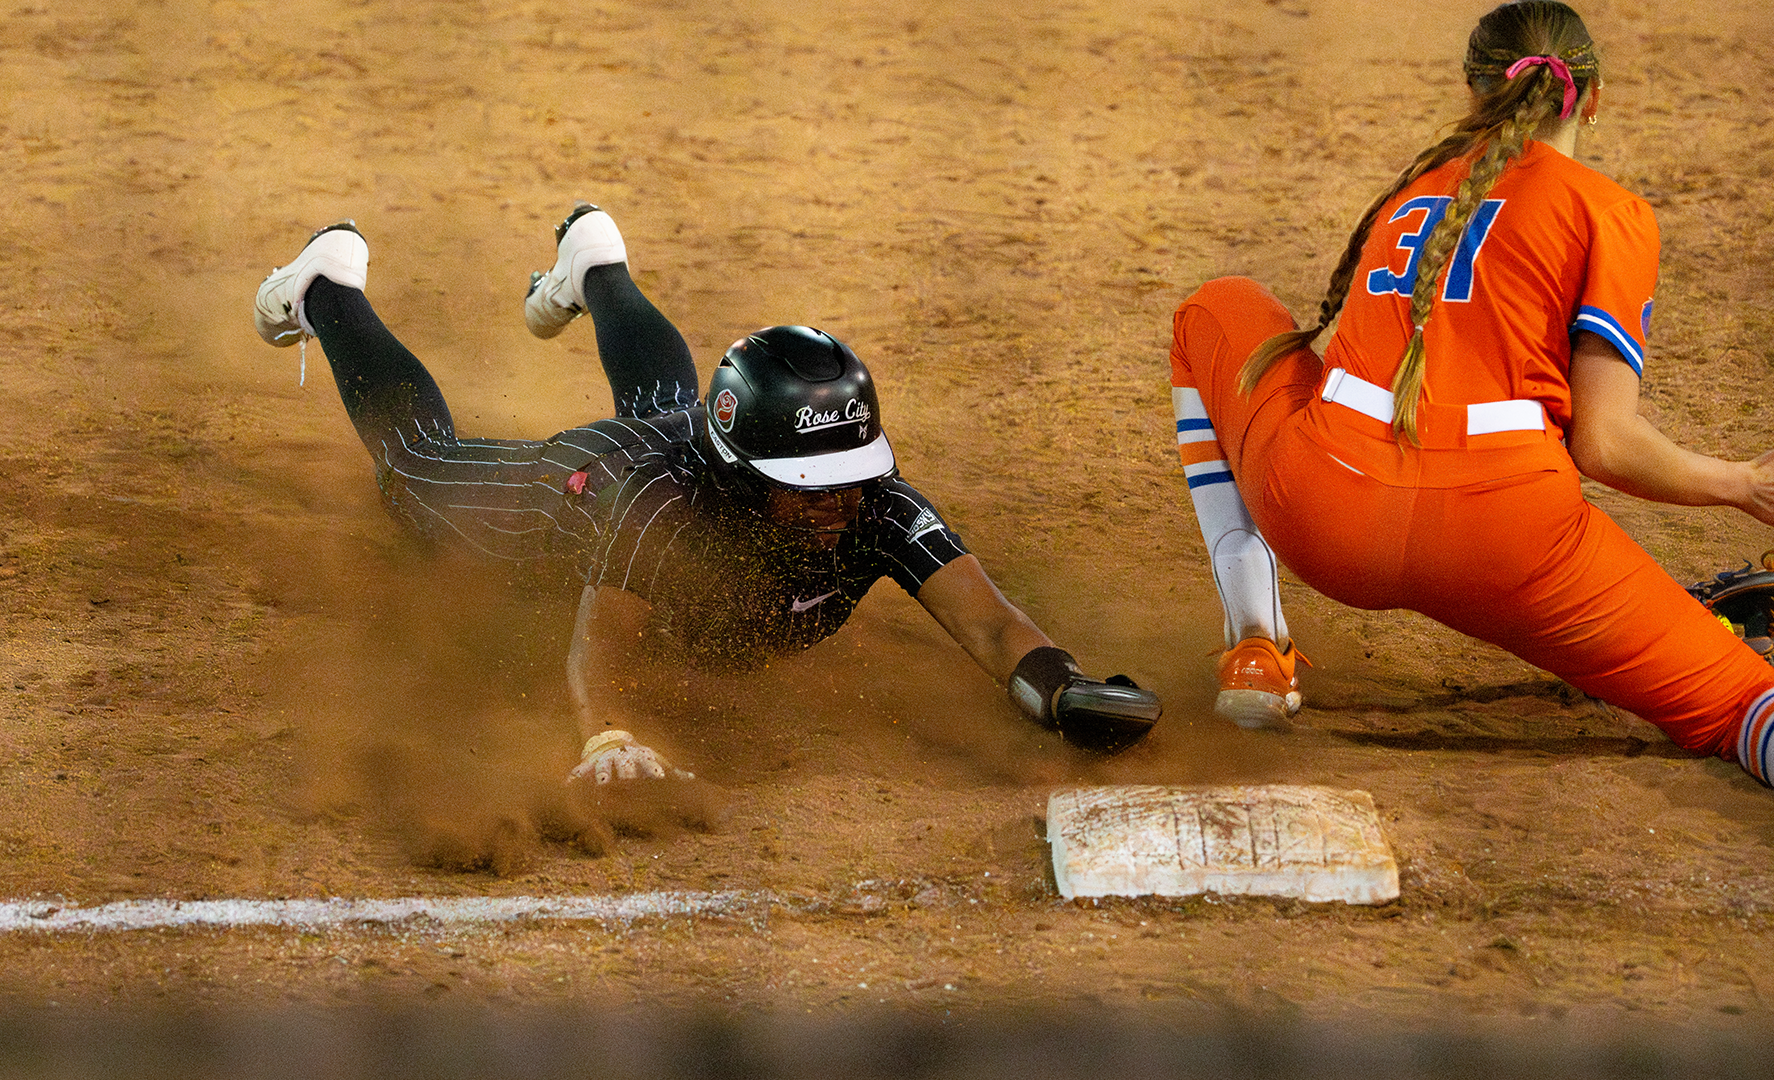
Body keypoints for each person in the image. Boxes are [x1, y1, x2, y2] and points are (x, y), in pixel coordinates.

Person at [1168, 0, 1774, 842]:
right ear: (1591, 99)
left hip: (1327, 507)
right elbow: (1605, 444)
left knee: (1215, 307)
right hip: (1503, 537)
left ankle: (1257, 648)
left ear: (1474, 92)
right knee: (1736, 695)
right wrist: (1745, 484)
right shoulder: (1609, 210)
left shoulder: (1413, 194)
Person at [252, 204, 1159, 806]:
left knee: (668, 401)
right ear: (736, 473)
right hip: (574, 495)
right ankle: (327, 285)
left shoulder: (870, 499)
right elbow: (600, 644)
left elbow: (997, 630)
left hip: (689, 444)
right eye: (804, 486)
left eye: (845, 474)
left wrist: (1062, 690)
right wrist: (609, 737)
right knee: (415, 470)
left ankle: (595, 260)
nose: (833, 504)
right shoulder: (662, 510)